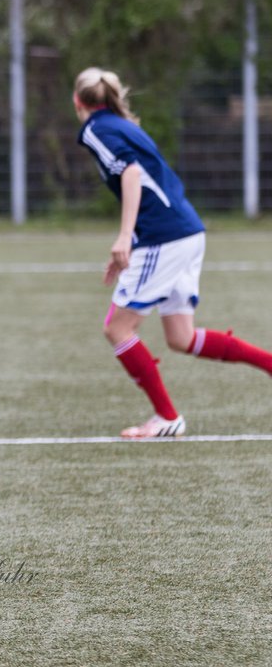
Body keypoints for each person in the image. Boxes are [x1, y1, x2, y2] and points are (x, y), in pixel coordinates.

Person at [74, 67, 272, 438]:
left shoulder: (95, 130)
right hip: (186, 231)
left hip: (164, 238)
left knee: (117, 328)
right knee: (181, 337)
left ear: (77, 102)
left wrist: (125, 235)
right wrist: (129, 242)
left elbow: (132, 174)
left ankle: (167, 417)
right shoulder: (121, 124)